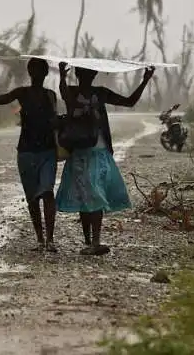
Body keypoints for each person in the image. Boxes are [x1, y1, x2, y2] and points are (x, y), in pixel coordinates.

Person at [55, 62, 155, 256]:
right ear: (78, 73)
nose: (87, 76)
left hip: (98, 152)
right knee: (85, 195)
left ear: (93, 75)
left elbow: (129, 102)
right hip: (79, 152)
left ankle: (95, 241)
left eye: (90, 73)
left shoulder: (100, 93)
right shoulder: (73, 92)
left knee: (94, 194)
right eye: (84, 72)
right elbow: (65, 95)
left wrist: (144, 81)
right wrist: (61, 77)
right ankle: (89, 241)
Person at [0, 56, 59, 252]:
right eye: (34, 70)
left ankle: (48, 240)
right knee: (34, 197)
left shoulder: (49, 95)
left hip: (45, 151)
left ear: (42, 73)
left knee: (47, 193)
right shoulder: (23, 93)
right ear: (32, 72)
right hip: (28, 151)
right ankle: (42, 239)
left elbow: (54, 122)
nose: (36, 73)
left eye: (38, 70)